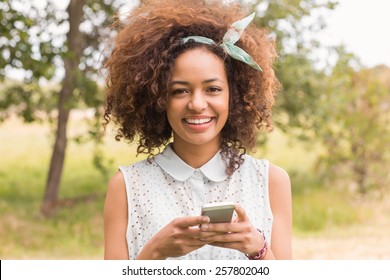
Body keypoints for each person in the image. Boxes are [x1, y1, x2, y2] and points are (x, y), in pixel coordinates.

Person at [103, 0, 292, 260]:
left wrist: (257, 248)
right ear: (158, 98)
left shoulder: (272, 182)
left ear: (233, 96)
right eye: (179, 91)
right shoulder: (126, 187)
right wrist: (154, 252)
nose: (197, 104)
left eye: (212, 89)